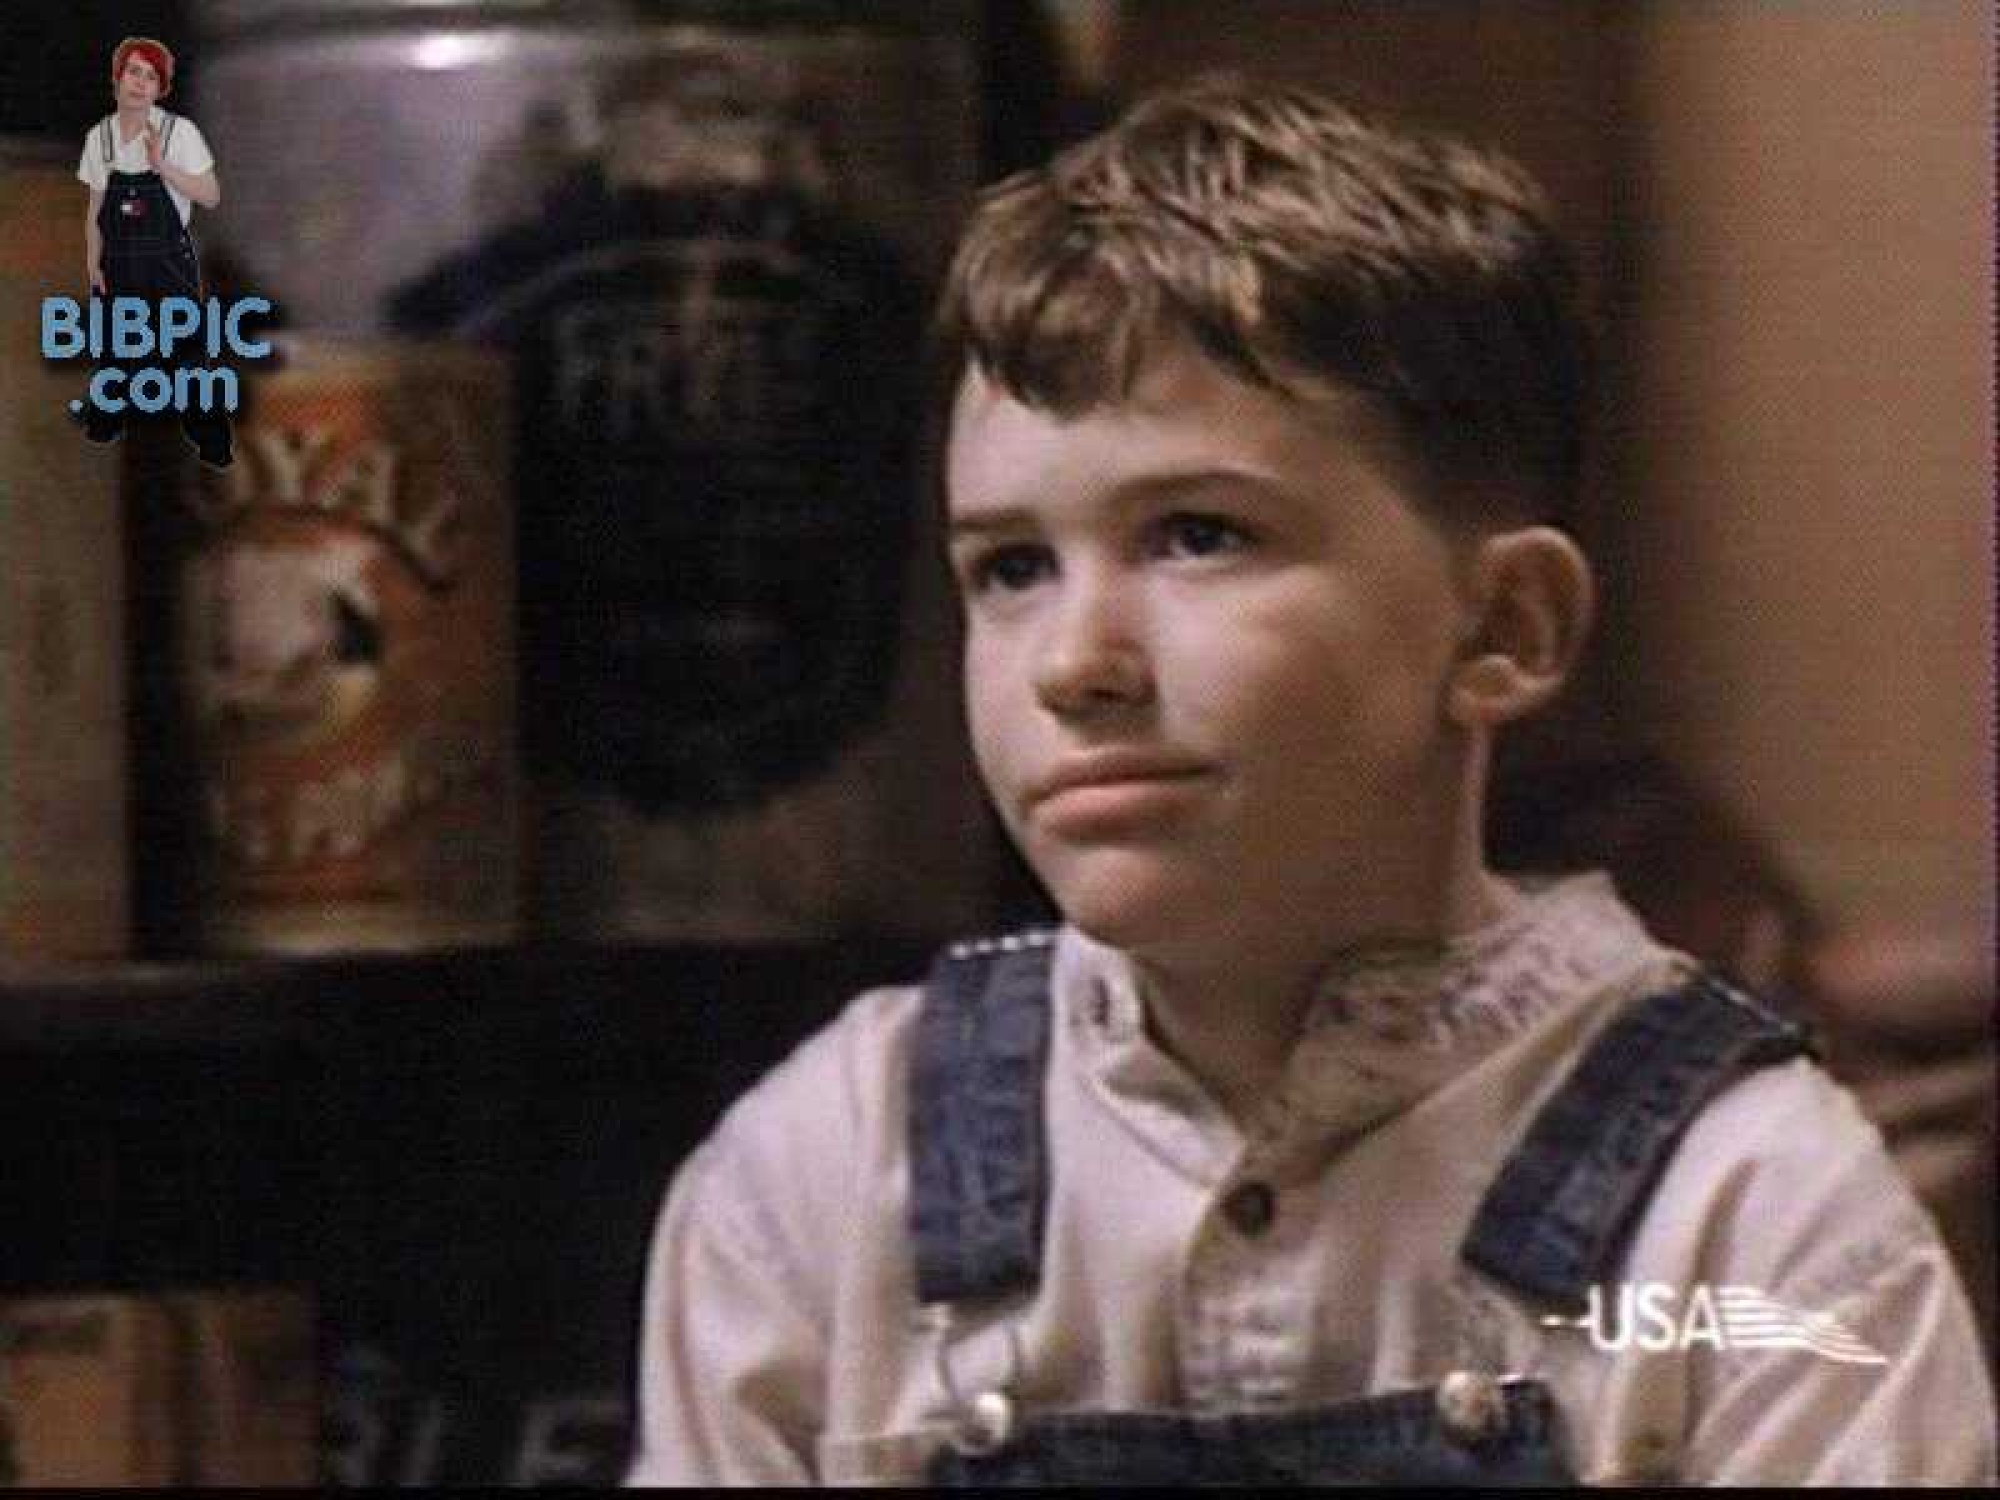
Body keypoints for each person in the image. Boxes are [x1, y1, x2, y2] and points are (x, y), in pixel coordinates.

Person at [625, 77, 1995, 1485]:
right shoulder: (831, 1180)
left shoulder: (1746, 1222)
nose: (1075, 665)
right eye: (1012, 567)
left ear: (1504, 627)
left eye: (1198, 535)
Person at [74, 36, 232, 468]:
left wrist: (163, 167)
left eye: (149, 75)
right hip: (118, 259)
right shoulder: (101, 137)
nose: (139, 82)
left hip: (167, 261)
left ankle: (211, 441)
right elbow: (95, 206)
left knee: (183, 360)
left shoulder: (180, 133)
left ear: (161, 86)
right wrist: (92, 259)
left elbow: (210, 194)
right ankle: (109, 445)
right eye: (132, 72)